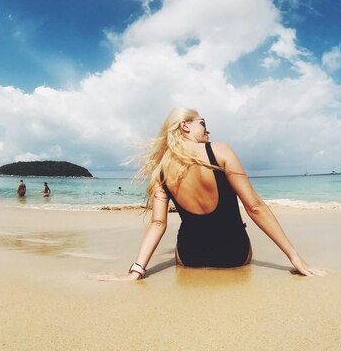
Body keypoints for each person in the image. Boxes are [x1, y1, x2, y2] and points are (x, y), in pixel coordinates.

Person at [101, 108, 325, 281]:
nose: (207, 130)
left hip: (190, 257)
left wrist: (136, 270)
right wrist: (294, 257)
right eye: (203, 124)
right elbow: (254, 206)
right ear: (184, 126)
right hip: (234, 255)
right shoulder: (220, 151)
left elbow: (158, 223)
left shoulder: (161, 170)